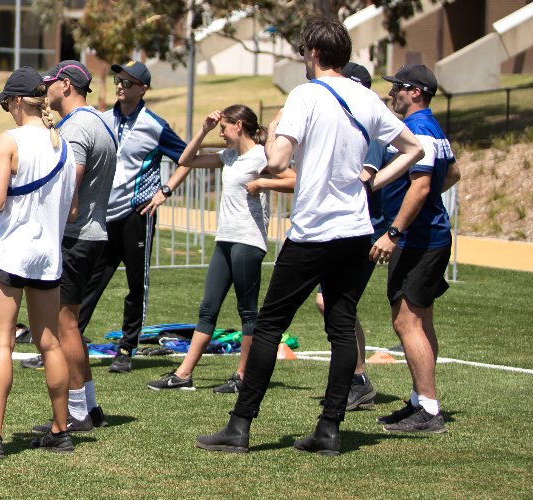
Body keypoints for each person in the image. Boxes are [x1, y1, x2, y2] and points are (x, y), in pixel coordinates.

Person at [195, 18, 426, 456]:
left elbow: (277, 162)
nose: (303, 58)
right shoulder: (367, 97)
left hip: (313, 231)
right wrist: (371, 183)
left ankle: (239, 426)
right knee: (341, 327)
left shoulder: (305, 95)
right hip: (355, 232)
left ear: (314, 53)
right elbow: (414, 149)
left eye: (303, 51)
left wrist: (276, 126)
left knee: (269, 326)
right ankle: (329, 430)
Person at [0, 67, 77, 459]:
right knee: (50, 343)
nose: (6, 109)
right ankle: (61, 430)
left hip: (11, 251)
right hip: (48, 256)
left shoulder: (10, 139)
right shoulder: (64, 145)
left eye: (7, 103)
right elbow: (72, 210)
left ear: (17, 101)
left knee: (2, 344)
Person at [145, 105, 292, 392]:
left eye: (223, 128)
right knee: (207, 308)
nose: (221, 133)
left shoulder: (261, 156)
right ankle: (184, 374)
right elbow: (186, 159)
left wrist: (263, 182)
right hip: (224, 240)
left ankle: (243, 376)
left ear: (239, 126)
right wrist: (203, 130)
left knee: (247, 312)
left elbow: (294, 179)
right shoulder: (228, 156)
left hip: (248, 241)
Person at [25, 60, 112, 433]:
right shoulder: (100, 121)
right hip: (92, 236)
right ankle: (90, 407)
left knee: (65, 326)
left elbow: (69, 199)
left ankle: (76, 413)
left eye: (50, 84)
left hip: (75, 237)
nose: (45, 91)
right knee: (71, 324)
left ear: (65, 85)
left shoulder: (75, 128)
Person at [374, 63, 461, 434]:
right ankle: (419, 400)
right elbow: (453, 173)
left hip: (418, 240)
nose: (392, 93)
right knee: (420, 321)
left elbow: (422, 186)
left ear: (415, 92)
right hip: (430, 235)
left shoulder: (419, 130)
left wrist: (394, 231)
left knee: (406, 321)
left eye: (398, 87)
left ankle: (428, 407)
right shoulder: (432, 127)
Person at [93, 60, 186, 374]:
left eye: (128, 82)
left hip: (137, 215)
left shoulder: (154, 125)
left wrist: (165, 191)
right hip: (105, 214)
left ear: (143, 88)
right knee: (89, 281)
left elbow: (186, 158)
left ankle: (126, 348)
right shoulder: (104, 119)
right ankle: (67, 338)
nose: (121, 86)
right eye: (118, 80)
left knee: (136, 284)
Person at [313, 61, 390, 410]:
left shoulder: (368, 127)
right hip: (345, 226)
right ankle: (355, 378)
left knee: (333, 302)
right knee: (334, 302)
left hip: (362, 229)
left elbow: (364, 177)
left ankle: (357, 379)